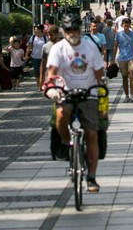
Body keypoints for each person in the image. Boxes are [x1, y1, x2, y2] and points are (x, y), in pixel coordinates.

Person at [42, 11, 107, 193]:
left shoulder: (89, 48)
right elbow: (52, 72)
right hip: (66, 92)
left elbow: (99, 74)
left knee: (92, 133)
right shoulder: (58, 49)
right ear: (63, 30)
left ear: (80, 29)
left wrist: (101, 92)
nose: (72, 32)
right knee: (61, 115)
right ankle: (65, 142)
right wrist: (52, 88)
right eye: (68, 29)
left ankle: (92, 177)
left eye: (75, 29)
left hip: (88, 93)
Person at [113, 16, 133, 102]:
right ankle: (126, 95)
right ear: (122, 25)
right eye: (125, 25)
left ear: (130, 26)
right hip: (122, 58)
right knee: (124, 77)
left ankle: (132, 94)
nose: (126, 27)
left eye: (127, 25)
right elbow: (115, 46)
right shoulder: (118, 35)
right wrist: (112, 59)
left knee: (131, 74)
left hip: (131, 57)